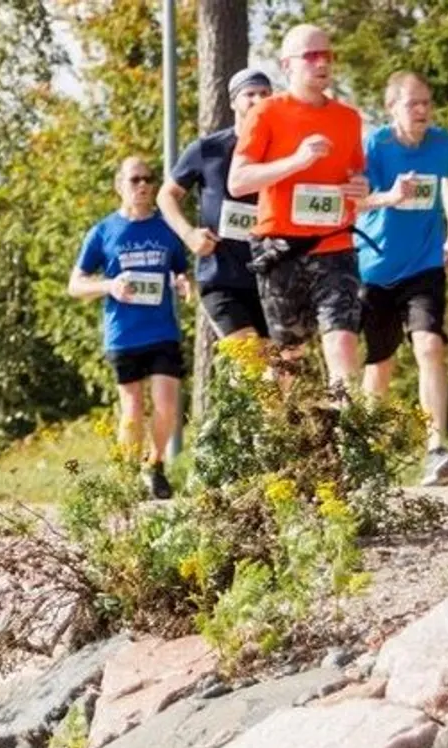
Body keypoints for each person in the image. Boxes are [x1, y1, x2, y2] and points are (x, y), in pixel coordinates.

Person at [227, 23, 370, 386]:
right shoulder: (266, 113)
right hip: (281, 248)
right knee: (288, 358)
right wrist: (296, 161)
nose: (322, 62)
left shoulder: (349, 118)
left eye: (327, 55)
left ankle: (346, 440)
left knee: (342, 344)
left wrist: (359, 186)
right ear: (287, 64)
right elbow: (238, 180)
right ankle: (283, 439)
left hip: (335, 244)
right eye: (311, 55)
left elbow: (357, 179)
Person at [356, 71, 448, 485]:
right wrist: (390, 197)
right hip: (375, 268)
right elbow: (354, 202)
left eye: (426, 102)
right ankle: (365, 455)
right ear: (392, 108)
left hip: (425, 264)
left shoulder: (442, 144)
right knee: (380, 364)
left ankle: (436, 449)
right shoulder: (375, 145)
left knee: (429, 346)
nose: (421, 110)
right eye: (412, 103)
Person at [69, 156, 192, 499]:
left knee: (167, 404)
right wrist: (109, 286)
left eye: (148, 179)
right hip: (123, 332)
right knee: (133, 407)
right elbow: (75, 285)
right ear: (119, 185)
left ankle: (154, 465)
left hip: (162, 330)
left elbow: (180, 270)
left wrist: (183, 283)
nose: (142, 185)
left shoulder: (166, 229)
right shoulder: (103, 231)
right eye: (135, 179)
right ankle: (127, 473)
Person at [160, 68, 275, 343]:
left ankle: (236, 386)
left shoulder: (282, 151)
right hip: (222, 278)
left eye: (265, 94)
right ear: (233, 101)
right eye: (250, 94)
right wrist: (189, 235)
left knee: (279, 375)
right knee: (251, 363)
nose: (258, 100)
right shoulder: (207, 149)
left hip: (272, 278)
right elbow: (166, 195)